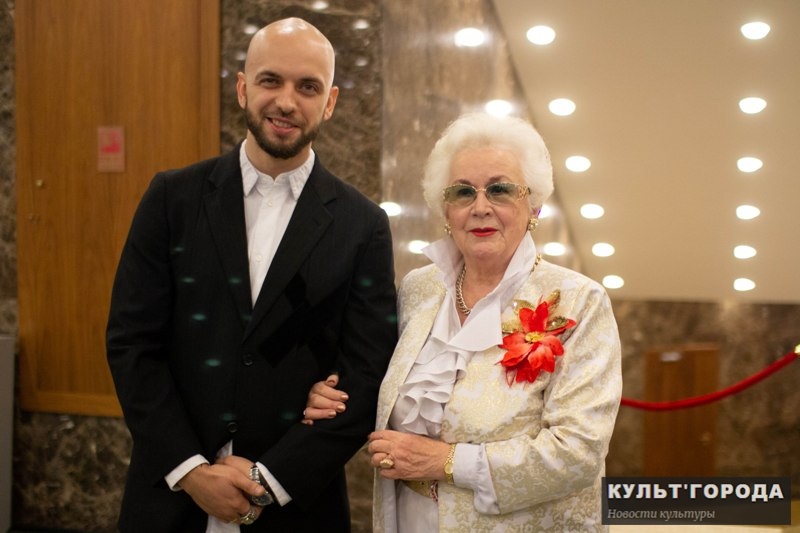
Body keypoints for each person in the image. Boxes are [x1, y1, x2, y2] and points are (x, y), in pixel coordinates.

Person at [106, 17, 398, 532]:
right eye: (270, 81)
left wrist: (270, 480)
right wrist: (191, 471)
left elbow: (367, 373)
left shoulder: (363, 225)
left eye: (307, 87)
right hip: (170, 501)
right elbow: (132, 344)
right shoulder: (172, 199)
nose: (286, 101)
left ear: (330, 102)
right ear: (243, 88)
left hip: (295, 509)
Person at [304, 112, 622, 531]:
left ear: (535, 206)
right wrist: (331, 394)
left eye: (501, 190)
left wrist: (448, 461)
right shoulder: (419, 290)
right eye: (462, 192)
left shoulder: (580, 301)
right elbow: (374, 380)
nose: (481, 207)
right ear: (446, 210)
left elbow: (578, 451)